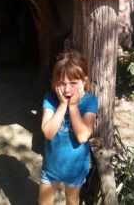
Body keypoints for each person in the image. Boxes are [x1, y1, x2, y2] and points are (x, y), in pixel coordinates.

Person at [39, 50, 98, 205]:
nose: (66, 90)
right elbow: (48, 133)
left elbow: (83, 136)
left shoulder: (90, 101)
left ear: (84, 81)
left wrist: (72, 107)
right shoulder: (51, 98)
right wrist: (63, 105)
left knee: (72, 200)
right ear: (54, 82)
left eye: (73, 83)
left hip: (76, 169)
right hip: (51, 167)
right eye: (61, 83)